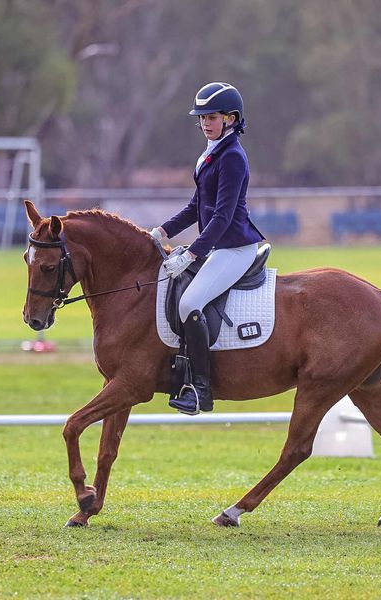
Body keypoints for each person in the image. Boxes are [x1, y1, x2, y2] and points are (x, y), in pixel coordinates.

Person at [149, 82, 265, 415]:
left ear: (231, 118)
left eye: (211, 117)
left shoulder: (232, 157)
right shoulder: (210, 153)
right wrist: (160, 232)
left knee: (189, 303)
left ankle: (200, 389)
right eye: (201, 118)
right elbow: (195, 206)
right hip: (218, 246)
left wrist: (191, 253)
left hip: (235, 247)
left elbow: (223, 215)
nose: (205, 123)